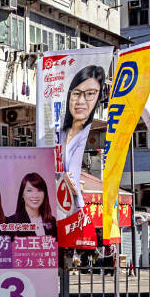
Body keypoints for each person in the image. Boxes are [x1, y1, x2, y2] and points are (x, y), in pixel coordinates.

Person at [62, 65, 105, 206]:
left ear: (99, 98)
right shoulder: (57, 133)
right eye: (76, 93)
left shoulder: (83, 138)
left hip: (72, 210)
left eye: (90, 94)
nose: (81, 101)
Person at [6, 173, 57, 237]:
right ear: (22, 195)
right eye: (29, 190)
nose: (35, 195)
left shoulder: (52, 221)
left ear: (45, 194)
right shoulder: (11, 222)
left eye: (39, 190)